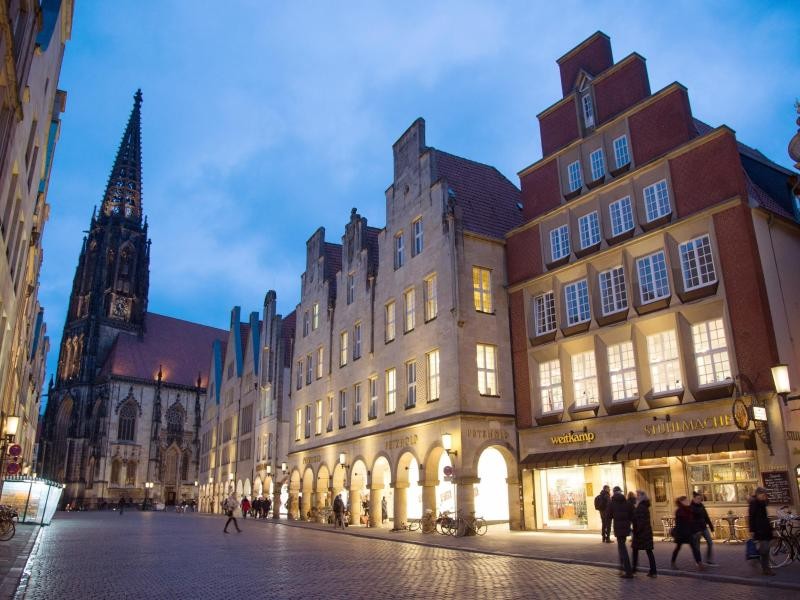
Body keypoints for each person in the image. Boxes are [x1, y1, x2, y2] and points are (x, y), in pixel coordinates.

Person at [605, 486, 634, 578]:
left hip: (618, 528)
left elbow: (608, 516)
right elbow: (632, 514)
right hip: (626, 528)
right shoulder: (626, 502)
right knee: (621, 547)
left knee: (622, 548)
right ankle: (621, 568)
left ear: (614, 492)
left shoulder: (612, 502)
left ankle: (628, 571)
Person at [671, 496, 704, 571]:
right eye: (686, 500)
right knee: (678, 548)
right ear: (682, 502)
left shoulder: (689, 509)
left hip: (688, 533)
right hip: (681, 533)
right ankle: (673, 562)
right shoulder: (679, 511)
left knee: (694, 548)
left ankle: (699, 563)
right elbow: (680, 523)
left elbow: (692, 520)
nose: (687, 501)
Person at [748, 487, 775, 576]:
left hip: (765, 528)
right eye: (763, 495)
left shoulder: (762, 502)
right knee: (765, 549)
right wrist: (752, 530)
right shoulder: (753, 503)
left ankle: (756, 558)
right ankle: (765, 569)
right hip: (759, 529)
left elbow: (765, 516)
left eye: (765, 495)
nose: (765, 497)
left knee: (766, 549)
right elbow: (751, 518)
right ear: (758, 494)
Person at [631, 490, 657, 578]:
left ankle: (634, 570)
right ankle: (653, 571)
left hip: (641, 533)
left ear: (641, 496)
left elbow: (640, 521)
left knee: (635, 550)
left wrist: (636, 531)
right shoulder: (644, 506)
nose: (636, 496)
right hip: (646, 532)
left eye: (638, 495)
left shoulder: (641, 507)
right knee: (648, 551)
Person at [691, 491, 716, 565]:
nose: (699, 500)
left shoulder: (701, 505)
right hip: (696, 529)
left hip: (704, 527)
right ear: (694, 499)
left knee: (710, 543)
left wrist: (711, 527)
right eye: (698, 498)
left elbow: (706, 517)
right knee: (697, 546)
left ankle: (708, 559)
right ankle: (698, 561)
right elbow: (691, 520)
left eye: (700, 498)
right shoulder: (691, 507)